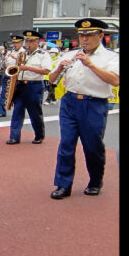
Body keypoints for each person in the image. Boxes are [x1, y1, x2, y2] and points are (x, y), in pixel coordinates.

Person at [48, 18, 119, 200]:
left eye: (89, 35)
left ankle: (95, 181)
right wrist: (58, 70)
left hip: (94, 103)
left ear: (101, 36)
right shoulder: (70, 54)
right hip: (70, 102)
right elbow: (51, 80)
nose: (84, 39)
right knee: (66, 144)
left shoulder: (111, 57)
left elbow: (114, 80)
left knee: (92, 146)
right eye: (81, 35)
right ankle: (63, 184)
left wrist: (90, 64)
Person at [6, 31, 51, 145]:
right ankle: (14, 137)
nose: (28, 43)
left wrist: (29, 68)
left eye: (31, 41)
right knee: (17, 111)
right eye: (27, 41)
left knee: (35, 112)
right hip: (20, 84)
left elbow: (46, 71)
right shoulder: (22, 53)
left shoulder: (43, 54)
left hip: (34, 85)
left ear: (37, 42)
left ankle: (39, 135)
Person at [0, 36, 25, 118]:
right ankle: (2, 111)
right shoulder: (10, 51)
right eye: (14, 43)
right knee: (4, 93)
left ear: (21, 43)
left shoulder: (23, 52)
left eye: (16, 43)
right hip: (8, 74)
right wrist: (5, 61)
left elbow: (24, 63)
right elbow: (6, 64)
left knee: (17, 95)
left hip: (17, 76)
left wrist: (15, 58)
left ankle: (17, 112)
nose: (14, 44)